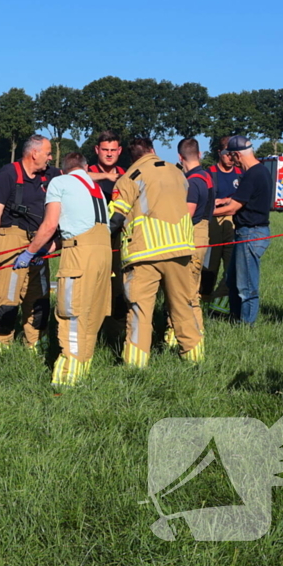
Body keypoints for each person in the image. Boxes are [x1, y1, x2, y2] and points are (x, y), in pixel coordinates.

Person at [14, 152, 111, 388]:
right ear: (85, 168)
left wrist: (30, 251)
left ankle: (66, 377)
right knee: (92, 313)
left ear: (65, 169)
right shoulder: (93, 186)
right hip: (104, 253)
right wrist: (50, 248)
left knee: (72, 312)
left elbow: (49, 225)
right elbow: (80, 223)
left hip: (79, 256)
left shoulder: (59, 182)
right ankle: (83, 369)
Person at [109, 137, 203, 366]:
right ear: (153, 150)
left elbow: (115, 218)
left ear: (131, 157)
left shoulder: (130, 177)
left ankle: (135, 365)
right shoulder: (177, 172)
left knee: (140, 311)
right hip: (180, 249)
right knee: (183, 307)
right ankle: (195, 359)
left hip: (144, 254)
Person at [0, 135, 61, 352]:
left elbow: (78, 176)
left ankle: (37, 343)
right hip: (12, 237)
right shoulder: (8, 173)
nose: (50, 157)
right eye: (47, 152)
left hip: (39, 240)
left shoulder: (52, 175)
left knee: (39, 296)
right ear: (34, 153)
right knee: (7, 296)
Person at [214, 135, 272, 325]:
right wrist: (222, 201)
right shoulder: (260, 171)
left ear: (238, 155)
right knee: (232, 281)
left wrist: (206, 212)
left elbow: (233, 208)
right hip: (247, 232)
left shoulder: (252, 174)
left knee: (246, 286)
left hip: (250, 234)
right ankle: (235, 318)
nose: (231, 160)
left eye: (232, 156)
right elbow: (241, 198)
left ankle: (246, 326)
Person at [165, 138, 215, 345]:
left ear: (180, 157)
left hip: (191, 235)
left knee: (186, 290)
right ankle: (194, 334)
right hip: (204, 232)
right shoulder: (207, 176)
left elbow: (188, 214)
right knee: (192, 288)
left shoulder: (192, 181)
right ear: (200, 154)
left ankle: (189, 336)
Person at [88, 130, 127, 324]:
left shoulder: (127, 176)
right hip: (94, 238)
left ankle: (116, 324)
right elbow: (72, 175)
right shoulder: (87, 172)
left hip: (121, 239)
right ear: (97, 150)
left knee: (118, 282)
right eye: (105, 150)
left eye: (113, 150)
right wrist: (106, 177)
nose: (109, 154)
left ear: (120, 150)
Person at [202, 136, 243, 314]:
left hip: (233, 225)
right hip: (213, 225)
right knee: (208, 268)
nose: (230, 158)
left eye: (233, 154)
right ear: (220, 153)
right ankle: (202, 302)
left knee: (231, 268)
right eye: (227, 153)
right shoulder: (210, 173)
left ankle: (221, 307)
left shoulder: (241, 174)